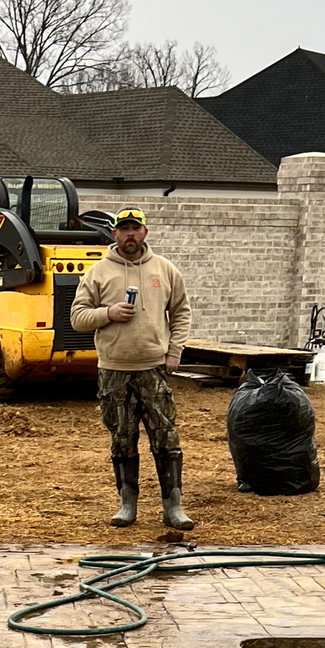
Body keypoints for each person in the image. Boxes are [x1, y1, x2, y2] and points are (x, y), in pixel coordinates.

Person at [70, 209, 194, 530]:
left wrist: (174, 351)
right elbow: (77, 317)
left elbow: (181, 313)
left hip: (153, 369)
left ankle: (173, 507)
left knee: (166, 437)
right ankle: (128, 505)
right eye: (123, 229)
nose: (129, 235)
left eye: (135, 229)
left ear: (144, 232)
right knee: (122, 438)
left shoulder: (165, 270)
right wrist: (107, 313)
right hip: (114, 371)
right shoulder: (97, 273)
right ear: (114, 234)